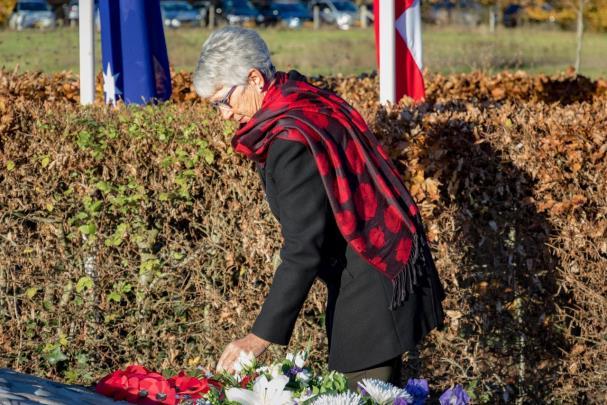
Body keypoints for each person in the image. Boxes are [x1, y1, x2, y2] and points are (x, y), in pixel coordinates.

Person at [192, 27, 446, 391]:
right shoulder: (300, 98)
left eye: (223, 101)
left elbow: (301, 251)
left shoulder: (289, 141)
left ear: (253, 78)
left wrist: (258, 338)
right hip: (381, 263)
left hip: (371, 283)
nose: (224, 115)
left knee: (358, 394)